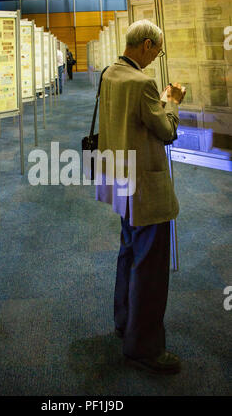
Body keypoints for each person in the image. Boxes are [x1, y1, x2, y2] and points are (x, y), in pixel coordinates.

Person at [95, 19, 185, 375]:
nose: (155, 59)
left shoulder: (110, 73)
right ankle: (144, 346)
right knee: (150, 269)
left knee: (129, 254)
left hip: (121, 183)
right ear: (146, 45)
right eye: (157, 52)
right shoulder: (143, 82)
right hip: (146, 189)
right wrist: (171, 102)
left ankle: (124, 322)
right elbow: (166, 132)